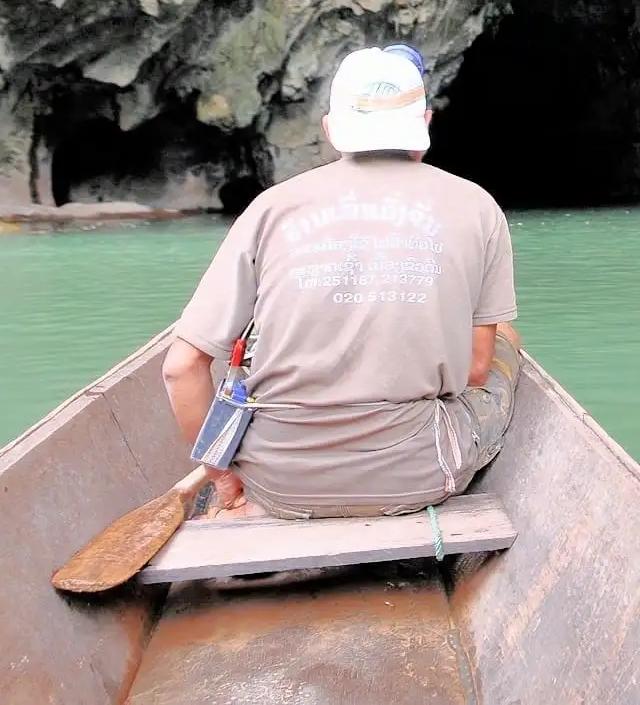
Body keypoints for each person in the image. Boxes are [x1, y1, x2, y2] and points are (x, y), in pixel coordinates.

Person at [161, 44, 520, 519]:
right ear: (426, 123)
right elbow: (475, 372)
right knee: (505, 346)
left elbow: (181, 368)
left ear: (331, 129)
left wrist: (225, 477)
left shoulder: (271, 209)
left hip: (278, 485)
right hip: (419, 475)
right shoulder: (476, 207)